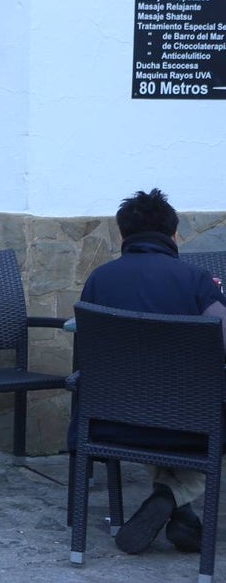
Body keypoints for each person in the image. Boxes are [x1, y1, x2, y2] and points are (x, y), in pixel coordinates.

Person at [78, 188, 226, 555]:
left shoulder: (98, 280)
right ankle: (171, 495)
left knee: (150, 403)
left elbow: (84, 351)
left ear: (123, 235)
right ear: (174, 235)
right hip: (186, 426)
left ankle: (181, 516)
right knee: (200, 411)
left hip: (110, 424)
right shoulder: (198, 282)